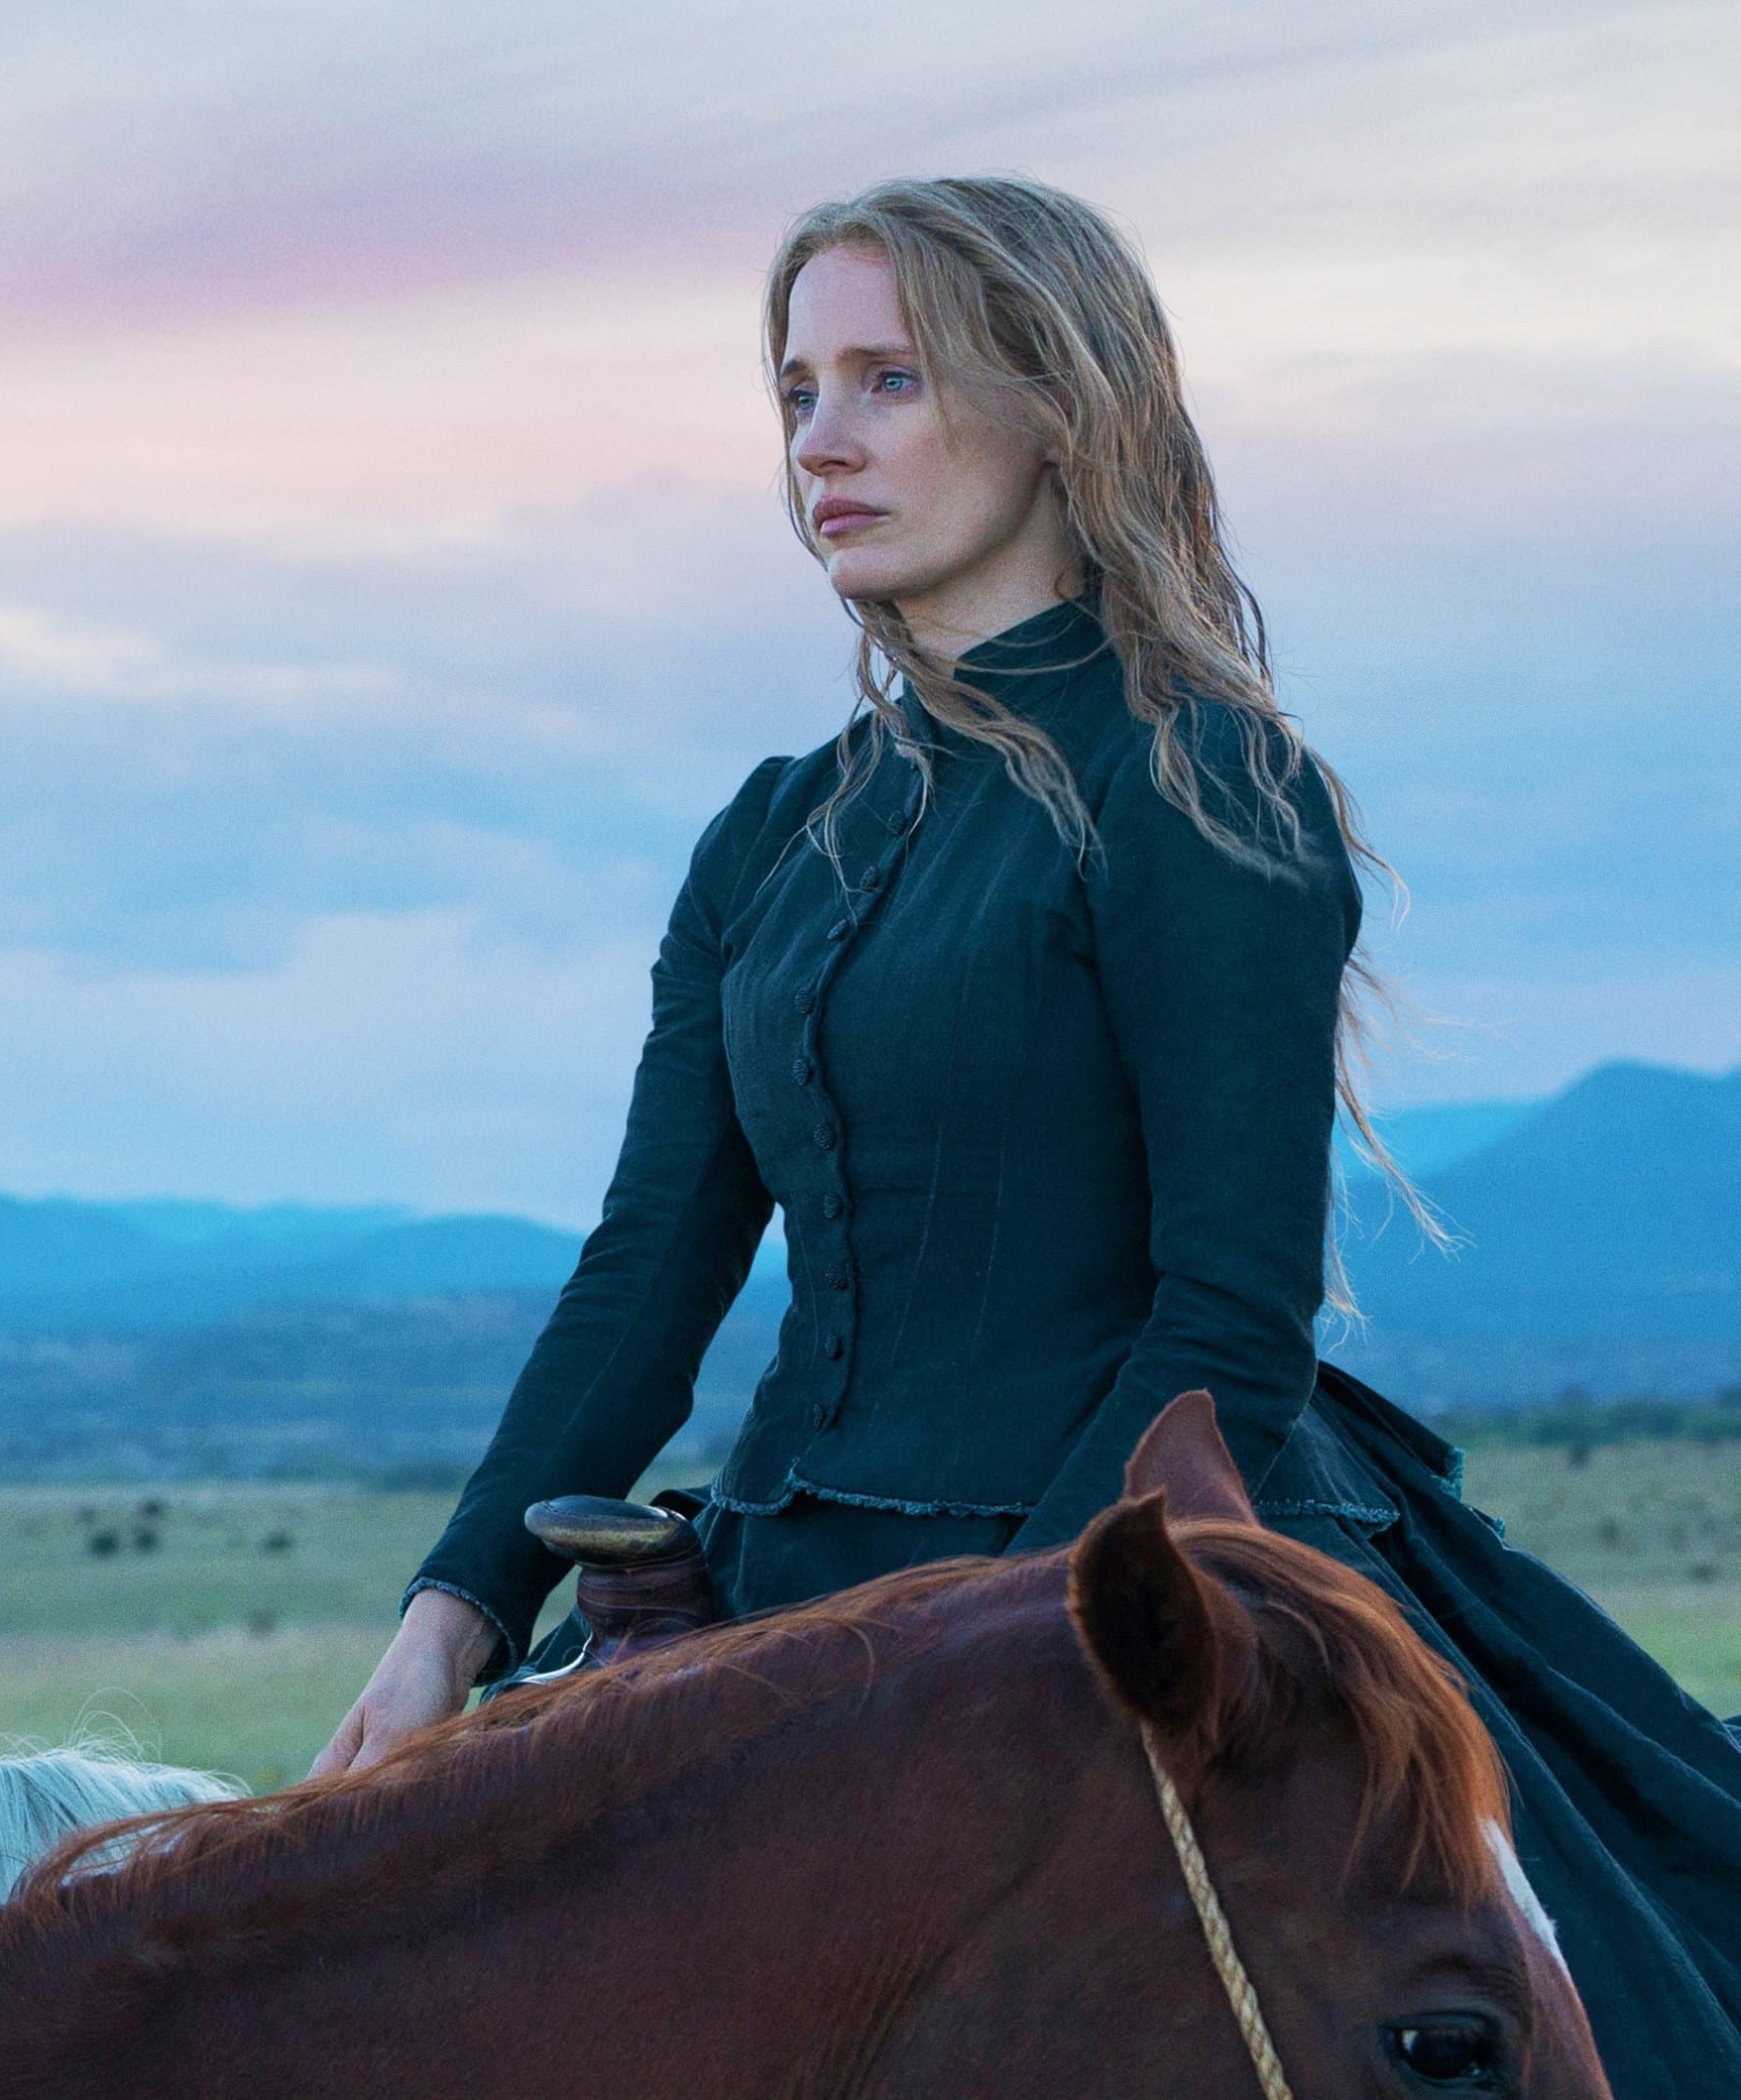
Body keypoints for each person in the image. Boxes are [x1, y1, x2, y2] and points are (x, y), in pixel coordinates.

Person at [311, 176, 1741, 2093]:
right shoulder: (769, 834)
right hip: (787, 1583)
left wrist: (1012, 1667)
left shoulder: (1203, 780)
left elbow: (1228, 1315)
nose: (821, 442)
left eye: (888, 380)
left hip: (1143, 1585)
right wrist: (456, 1614)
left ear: (1063, 405)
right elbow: (653, 1264)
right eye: (796, 391)